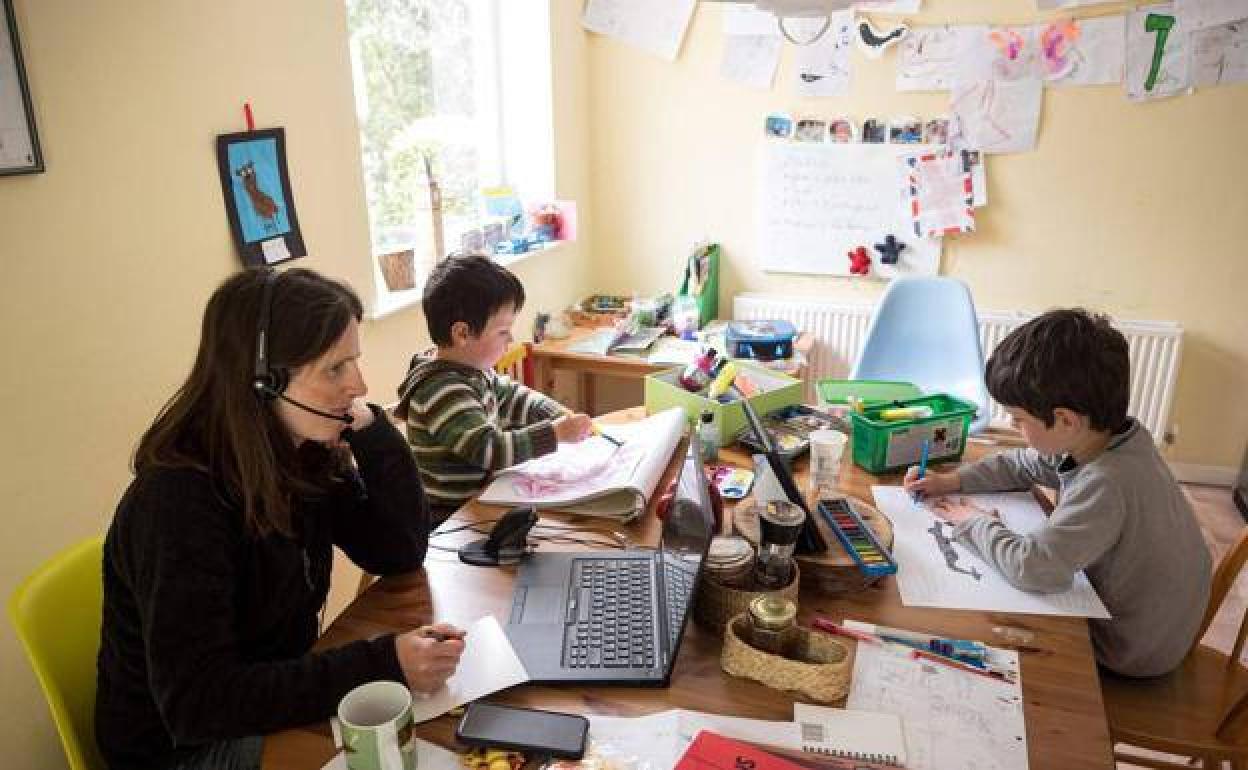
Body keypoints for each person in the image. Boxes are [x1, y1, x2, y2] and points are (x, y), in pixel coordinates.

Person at [96, 268, 465, 769]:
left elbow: (396, 550)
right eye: (335, 369)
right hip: (184, 748)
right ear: (263, 383)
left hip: (268, 698)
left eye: (354, 361)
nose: (358, 384)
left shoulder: (300, 455)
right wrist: (385, 663)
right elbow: (199, 705)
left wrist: (376, 433)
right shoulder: (177, 503)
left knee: (440, 741)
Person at [904, 308, 1211, 678]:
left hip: (1128, 651)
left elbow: (1033, 568)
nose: (1015, 428)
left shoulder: (1107, 480)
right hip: (1155, 626)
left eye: (1018, 420)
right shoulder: (1112, 438)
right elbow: (1024, 464)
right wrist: (952, 481)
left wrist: (973, 520)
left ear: (1065, 420)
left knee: (979, 634)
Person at [396, 253, 592, 523]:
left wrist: (556, 413)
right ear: (462, 334)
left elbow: (512, 396)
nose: (510, 338)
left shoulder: (471, 370)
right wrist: (555, 434)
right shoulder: (442, 390)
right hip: (452, 518)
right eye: (503, 331)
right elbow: (488, 449)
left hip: (482, 499)